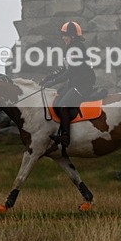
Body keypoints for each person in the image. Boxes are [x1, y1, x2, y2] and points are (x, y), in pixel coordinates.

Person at [41, 20, 96, 148]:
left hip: (83, 84)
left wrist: (53, 82)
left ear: (72, 36)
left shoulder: (76, 49)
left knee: (63, 105)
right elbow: (64, 69)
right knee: (56, 100)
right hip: (75, 83)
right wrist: (48, 78)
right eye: (62, 35)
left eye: (65, 35)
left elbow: (70, 72)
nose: (63, 38)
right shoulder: (71, 48)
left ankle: (65, 137)